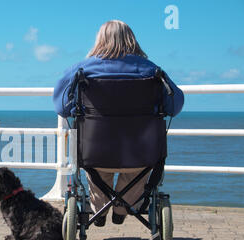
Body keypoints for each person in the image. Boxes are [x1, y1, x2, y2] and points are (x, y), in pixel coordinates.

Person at [53, 20, 184, 226]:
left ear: (100, 40)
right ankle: (122, 209)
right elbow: (174, 106)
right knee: (136, 172)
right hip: (141, 152)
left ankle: (100, 211)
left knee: (97, 172)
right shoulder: (152, 71)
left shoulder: (82, 69)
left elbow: (62, 107)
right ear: (131, 39)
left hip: (95, 151)